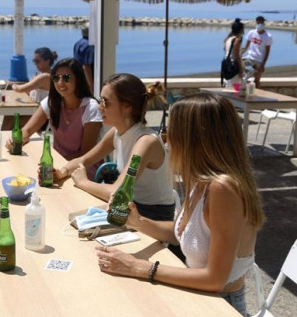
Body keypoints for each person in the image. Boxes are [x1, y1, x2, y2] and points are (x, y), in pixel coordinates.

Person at [95, 92, 265, 316]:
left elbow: (214, 279)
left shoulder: (223, 189)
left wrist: (139, 267)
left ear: (194, 138)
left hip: (220, 305)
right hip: (200, 298)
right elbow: (181, 233)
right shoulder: (202, 180)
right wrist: (138, 222)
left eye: (170, 131)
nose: (165, 138)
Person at [54, 73, 174, 221]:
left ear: (127, 107)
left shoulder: (146, 142)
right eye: (100, 101)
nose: (99, 107)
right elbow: (83, 160)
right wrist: (61, 172)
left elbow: (118, 192)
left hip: (153, 218)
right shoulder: (116, 133)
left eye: (105, 102)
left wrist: (83, 182)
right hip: (130, 209)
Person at [5, 58, 102, 178]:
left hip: (83, 171)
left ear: (78, 79)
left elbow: (86, 153)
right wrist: (17, 139)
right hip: (56, 167)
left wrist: (59, 166)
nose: (60, 83)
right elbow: (28, 130)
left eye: (66, 78)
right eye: (56, 78)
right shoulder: (53, 102)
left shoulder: (91, 107)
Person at [3, 47, 58, 130]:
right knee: (11, 116)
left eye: (38, 61)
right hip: (39, 113)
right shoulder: (47, 74)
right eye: (34, 61)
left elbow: (20, 89)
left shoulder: (45, 77)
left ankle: (3, 138)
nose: (36, 64)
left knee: (10, 118)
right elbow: (29, 89)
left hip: (43, 119)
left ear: (47, 61)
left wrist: (13, 85)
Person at [242, 16, 273, 88]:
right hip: (249, 57)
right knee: (238, 65)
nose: (259, 24)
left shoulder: (268, 36)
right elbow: (246, 46)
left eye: (261, 22)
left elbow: (267, 51)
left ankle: (257, 96)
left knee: (257, 80)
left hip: (259, 61)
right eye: (258, 22)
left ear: (264, 23)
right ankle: (248, 74)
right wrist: (239, 53)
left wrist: (263, 64)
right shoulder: (251, 32)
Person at [223, 18, 245, 88]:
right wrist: (241, 69)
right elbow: (237, 55)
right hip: (234, 66)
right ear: (241, 30)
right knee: (236, 88)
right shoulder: (237, 39)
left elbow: (225, 50)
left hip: (227, 65)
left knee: (229, 85)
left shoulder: (228, 39)